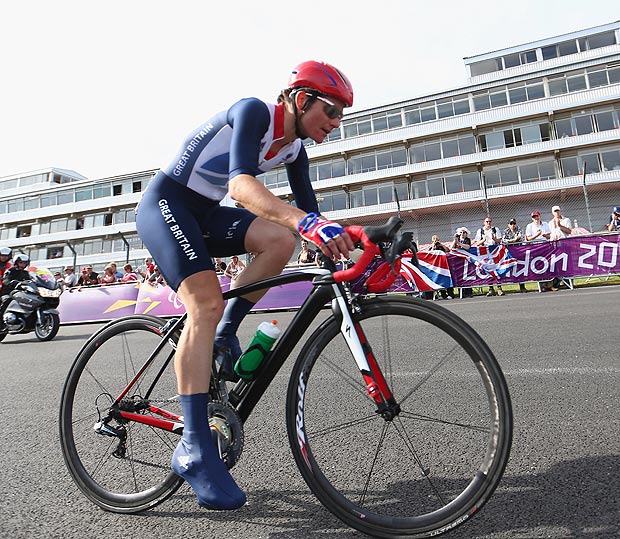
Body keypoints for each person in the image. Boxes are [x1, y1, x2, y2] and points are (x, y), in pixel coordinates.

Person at [134, 60, 354, 511]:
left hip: (204, 214)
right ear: (300, 98)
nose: (335, 123)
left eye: (340, 116)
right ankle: (194, 447)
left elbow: (309, 214)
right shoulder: (255, 112)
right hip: (167, 204)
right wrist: (307, 222)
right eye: (330, 110)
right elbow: (240, 186)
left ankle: (223, 334)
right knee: (204, 302)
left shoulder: (294, 150)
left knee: (280, 240)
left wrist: (345, 238)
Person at [473, 217, 504, 297]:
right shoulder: (480, 231)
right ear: (484, 222)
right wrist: (483, 240)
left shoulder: (495, 229)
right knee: (488, 269)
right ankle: (490, 288)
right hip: (485, 252)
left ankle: (499, 288)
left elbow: (499, 240)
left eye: (490, 221)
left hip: (494, 251)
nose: (488, 223)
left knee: (496, 268)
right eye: (487, 221)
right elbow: (477, 243)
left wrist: (494, 238)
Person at [548, 205, 572, 289]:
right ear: (552, 213)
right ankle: (557, 282)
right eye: (555, 211)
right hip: (555, 245)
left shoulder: (566, 220)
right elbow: (551, 234)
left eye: (558, 211)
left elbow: (569, 231)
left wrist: (560, 226)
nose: (557, 213)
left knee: (567, 263)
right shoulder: (550, 223)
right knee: (557, 264)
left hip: (564, 243)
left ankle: (568, 282)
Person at [424, 235, 454, 300]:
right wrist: (433, 247)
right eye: (434, 239)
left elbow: (448, 250)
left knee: (447, 279)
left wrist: (441, 245)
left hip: (444, 266)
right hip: (437, 268)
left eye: (437, 239)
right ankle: (443, 294)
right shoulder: (431, 248)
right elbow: (429, 254)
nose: (436, 240)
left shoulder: (441, 247)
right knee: (440, 280)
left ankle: (450, 294)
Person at [502, 218, 527, 293]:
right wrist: (512, 240)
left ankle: (522, 286)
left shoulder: (519, 229)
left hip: (518, 250)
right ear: (508, 225)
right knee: (508, 268)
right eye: (511, 224)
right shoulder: (506, 231)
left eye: (514, 224)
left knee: (520, 268)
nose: (513, 225)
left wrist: (511, 240)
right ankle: (502, 287)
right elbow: (503, 240)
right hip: (509, 252)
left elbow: (520, 237)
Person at [451, 227, 473, 298]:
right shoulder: (457, 240)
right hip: (458, 260)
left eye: (464, 233)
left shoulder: (467, 240)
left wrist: (459, 243)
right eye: (461, 232)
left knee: (468, 275)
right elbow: (452, 248)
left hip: (466, 260)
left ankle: (469, 292)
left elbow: (468, 247)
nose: (462, 234)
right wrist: (455, 240)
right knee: (459, 276)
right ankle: (461, 292)